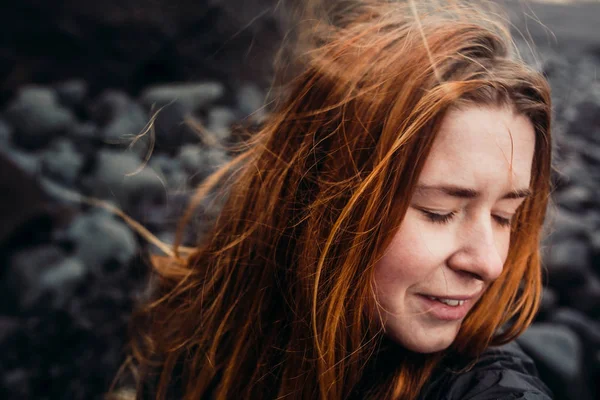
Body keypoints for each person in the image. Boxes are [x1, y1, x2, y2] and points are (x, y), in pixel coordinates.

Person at [111, 0, 554, 398]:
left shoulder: (486, 385)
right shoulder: (199, 332)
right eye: (439, 212)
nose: (490, 264)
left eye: (504, 216)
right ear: (322, 197)